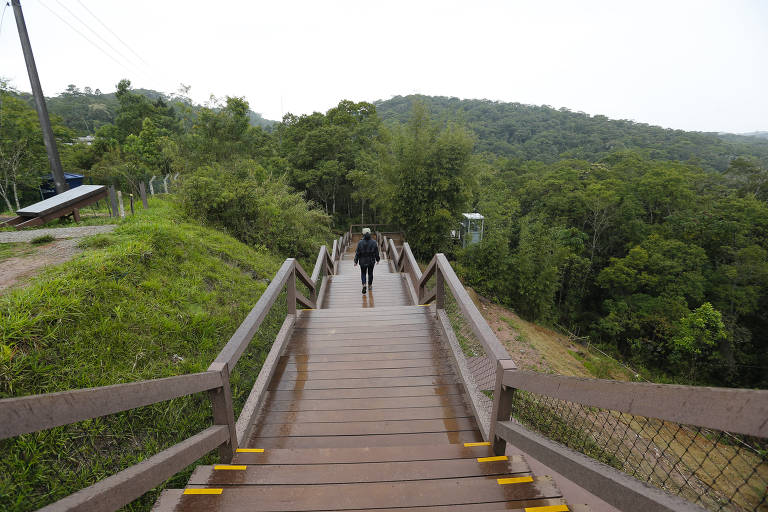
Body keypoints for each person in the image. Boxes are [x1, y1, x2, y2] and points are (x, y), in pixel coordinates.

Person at [354, 227, 380, 294]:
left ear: (363, 234)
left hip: (362, 261)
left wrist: (355, 261)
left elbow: (357, 252)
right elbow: (376, 252)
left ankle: (364, 285)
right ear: (370, 233)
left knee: (363, 273)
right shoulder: (374, 242)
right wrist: (378, 259)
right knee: (370, 273)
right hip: (371, 261)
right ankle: (370, 285)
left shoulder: (360, 242)